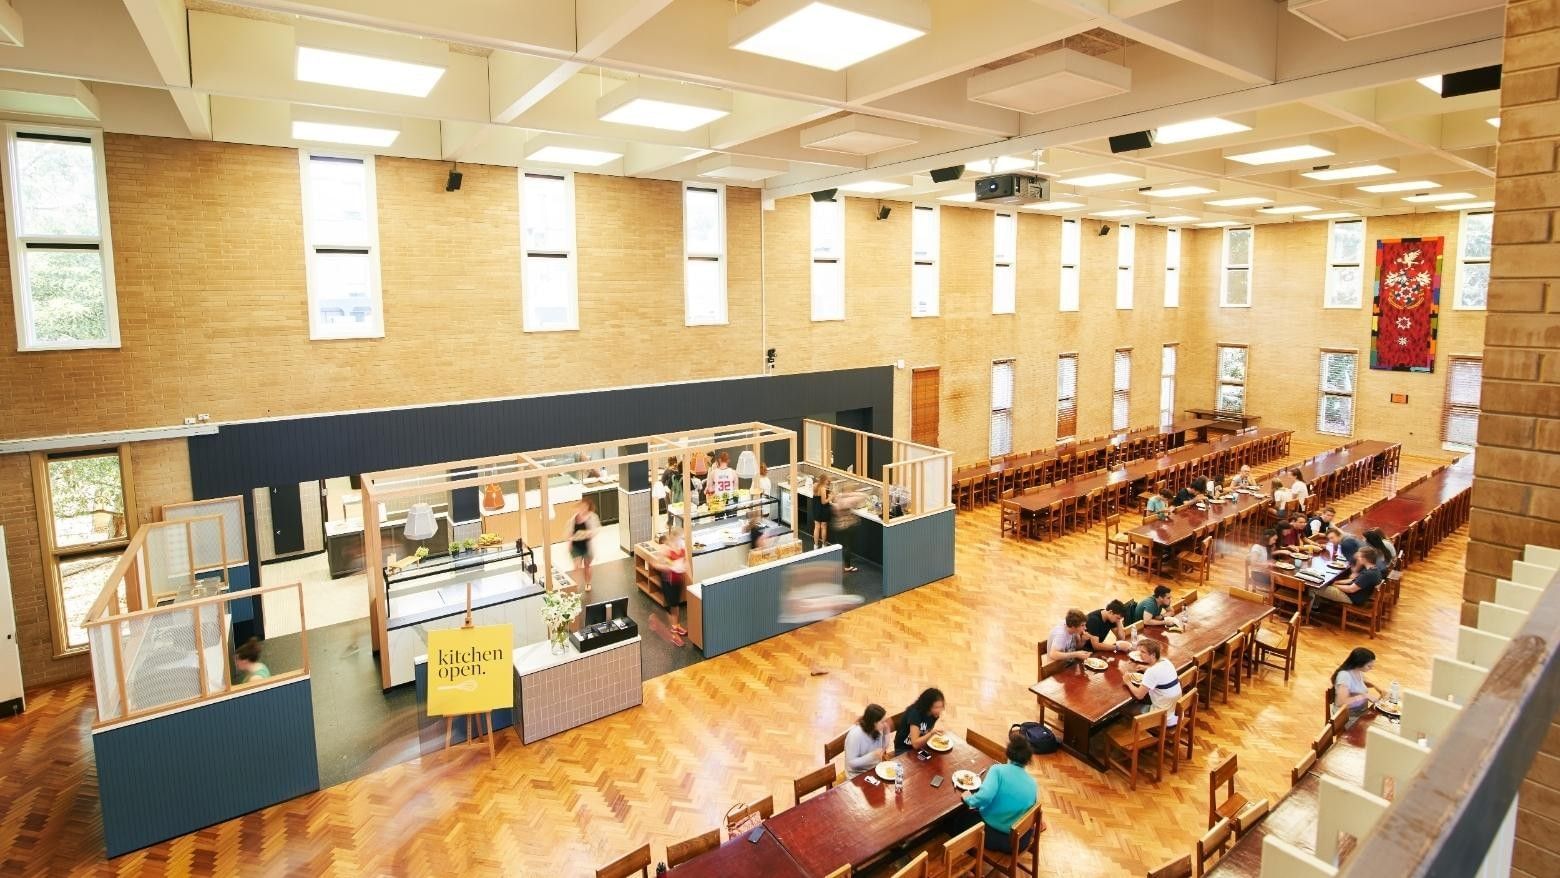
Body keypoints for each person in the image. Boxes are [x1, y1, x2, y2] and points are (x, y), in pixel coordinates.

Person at [958, 732, 1039, 854]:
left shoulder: (998, 770)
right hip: (1020, 841)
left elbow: (984, 797)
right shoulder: (1033, 783)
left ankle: (971, 863)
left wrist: (969, 799)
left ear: (1008, 753)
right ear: (1027, 761)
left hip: (995, 837)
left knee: (956, 820)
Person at [1125, 639, 1181, 728]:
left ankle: (1138, 732)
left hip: (1163, 717)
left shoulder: (1152, 672)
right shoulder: (1166, 662)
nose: (1140, 655)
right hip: (1176, 714)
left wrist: (1128, 682)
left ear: (1153, 654)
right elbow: (1158, 673)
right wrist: (1146, 668)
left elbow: (1139, 695)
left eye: (1143, 652)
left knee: (1126, 707)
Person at [652, 532, 691, 646]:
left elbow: (686, 562)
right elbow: (656, 564)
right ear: (672, 539)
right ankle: (674, 635)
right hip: (668, 581)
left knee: (676, 605)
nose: (680, 541)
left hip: (678, 581)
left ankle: (677, 626)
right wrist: (670, 567)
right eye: (678, 539)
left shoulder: (681, 547)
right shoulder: (665, 549)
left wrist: (690, 579)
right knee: (671, 607)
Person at [1315, 547, 1382, 607]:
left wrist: (1335, 586)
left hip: (1352, 598)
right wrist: (1336, 582)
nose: (1358, 558)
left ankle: (1314, 607)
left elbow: (1351, 589)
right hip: (1359, 595)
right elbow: (1353, 580)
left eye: (1359, 557)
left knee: (1315, 588)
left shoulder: (1368, 574)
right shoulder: (1374, 569)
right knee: (1328, 584)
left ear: (1364, 559)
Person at [1331, 647, 1384, 716]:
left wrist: (1375, 686)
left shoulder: (1357, 671)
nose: (1371, 668)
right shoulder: (1344, 676)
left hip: (1360, 712)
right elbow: (1341, 702)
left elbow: (1361, 683)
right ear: (1359, 663)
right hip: (1347, 717)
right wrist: (1364, 696)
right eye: (1369, 666)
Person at [843, 704, 892, 778]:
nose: (885, 724)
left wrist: (886, 733)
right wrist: (872, 755)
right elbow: (851, 763)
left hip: (875, 769)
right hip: (856, 775)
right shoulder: (855, 735)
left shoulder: (878, 729)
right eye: (882, 722)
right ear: (874, 723)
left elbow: (883, 749)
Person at [895, 687, 945, 754]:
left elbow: (926, 731)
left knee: (936, 759)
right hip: (904, 749)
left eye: (941, 707)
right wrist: (931, 733)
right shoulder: (915, 714)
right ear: (927, 705)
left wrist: (931, 733)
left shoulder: (934, 714)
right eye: (936, 707)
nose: (939, 710)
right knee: (927, 762)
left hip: (920, 746)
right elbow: (915, 744)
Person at [568, 497, 600, 590]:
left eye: (584, 506)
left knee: (587, 565)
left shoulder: (592, 517)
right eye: (581, 506)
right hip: (576, 545)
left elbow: (596, 530)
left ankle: (588, 583)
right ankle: (575, 586)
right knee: (576, 566)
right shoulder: (574, 518)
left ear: (588, 507)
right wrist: (569, 542)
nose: (582, 508)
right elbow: (570, 531)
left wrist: (589, 534)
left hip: (587, 545)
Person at [811, 473, 832, 549]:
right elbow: (823, 502)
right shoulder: (822, 488)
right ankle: (823, 544)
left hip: (816, 507)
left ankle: (815, 545)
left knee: (816, 527)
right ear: (824, 480)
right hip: (823, 509)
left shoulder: (815, 485)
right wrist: (830, 497)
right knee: (823, 527)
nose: (828, 481)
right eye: (827, 480)